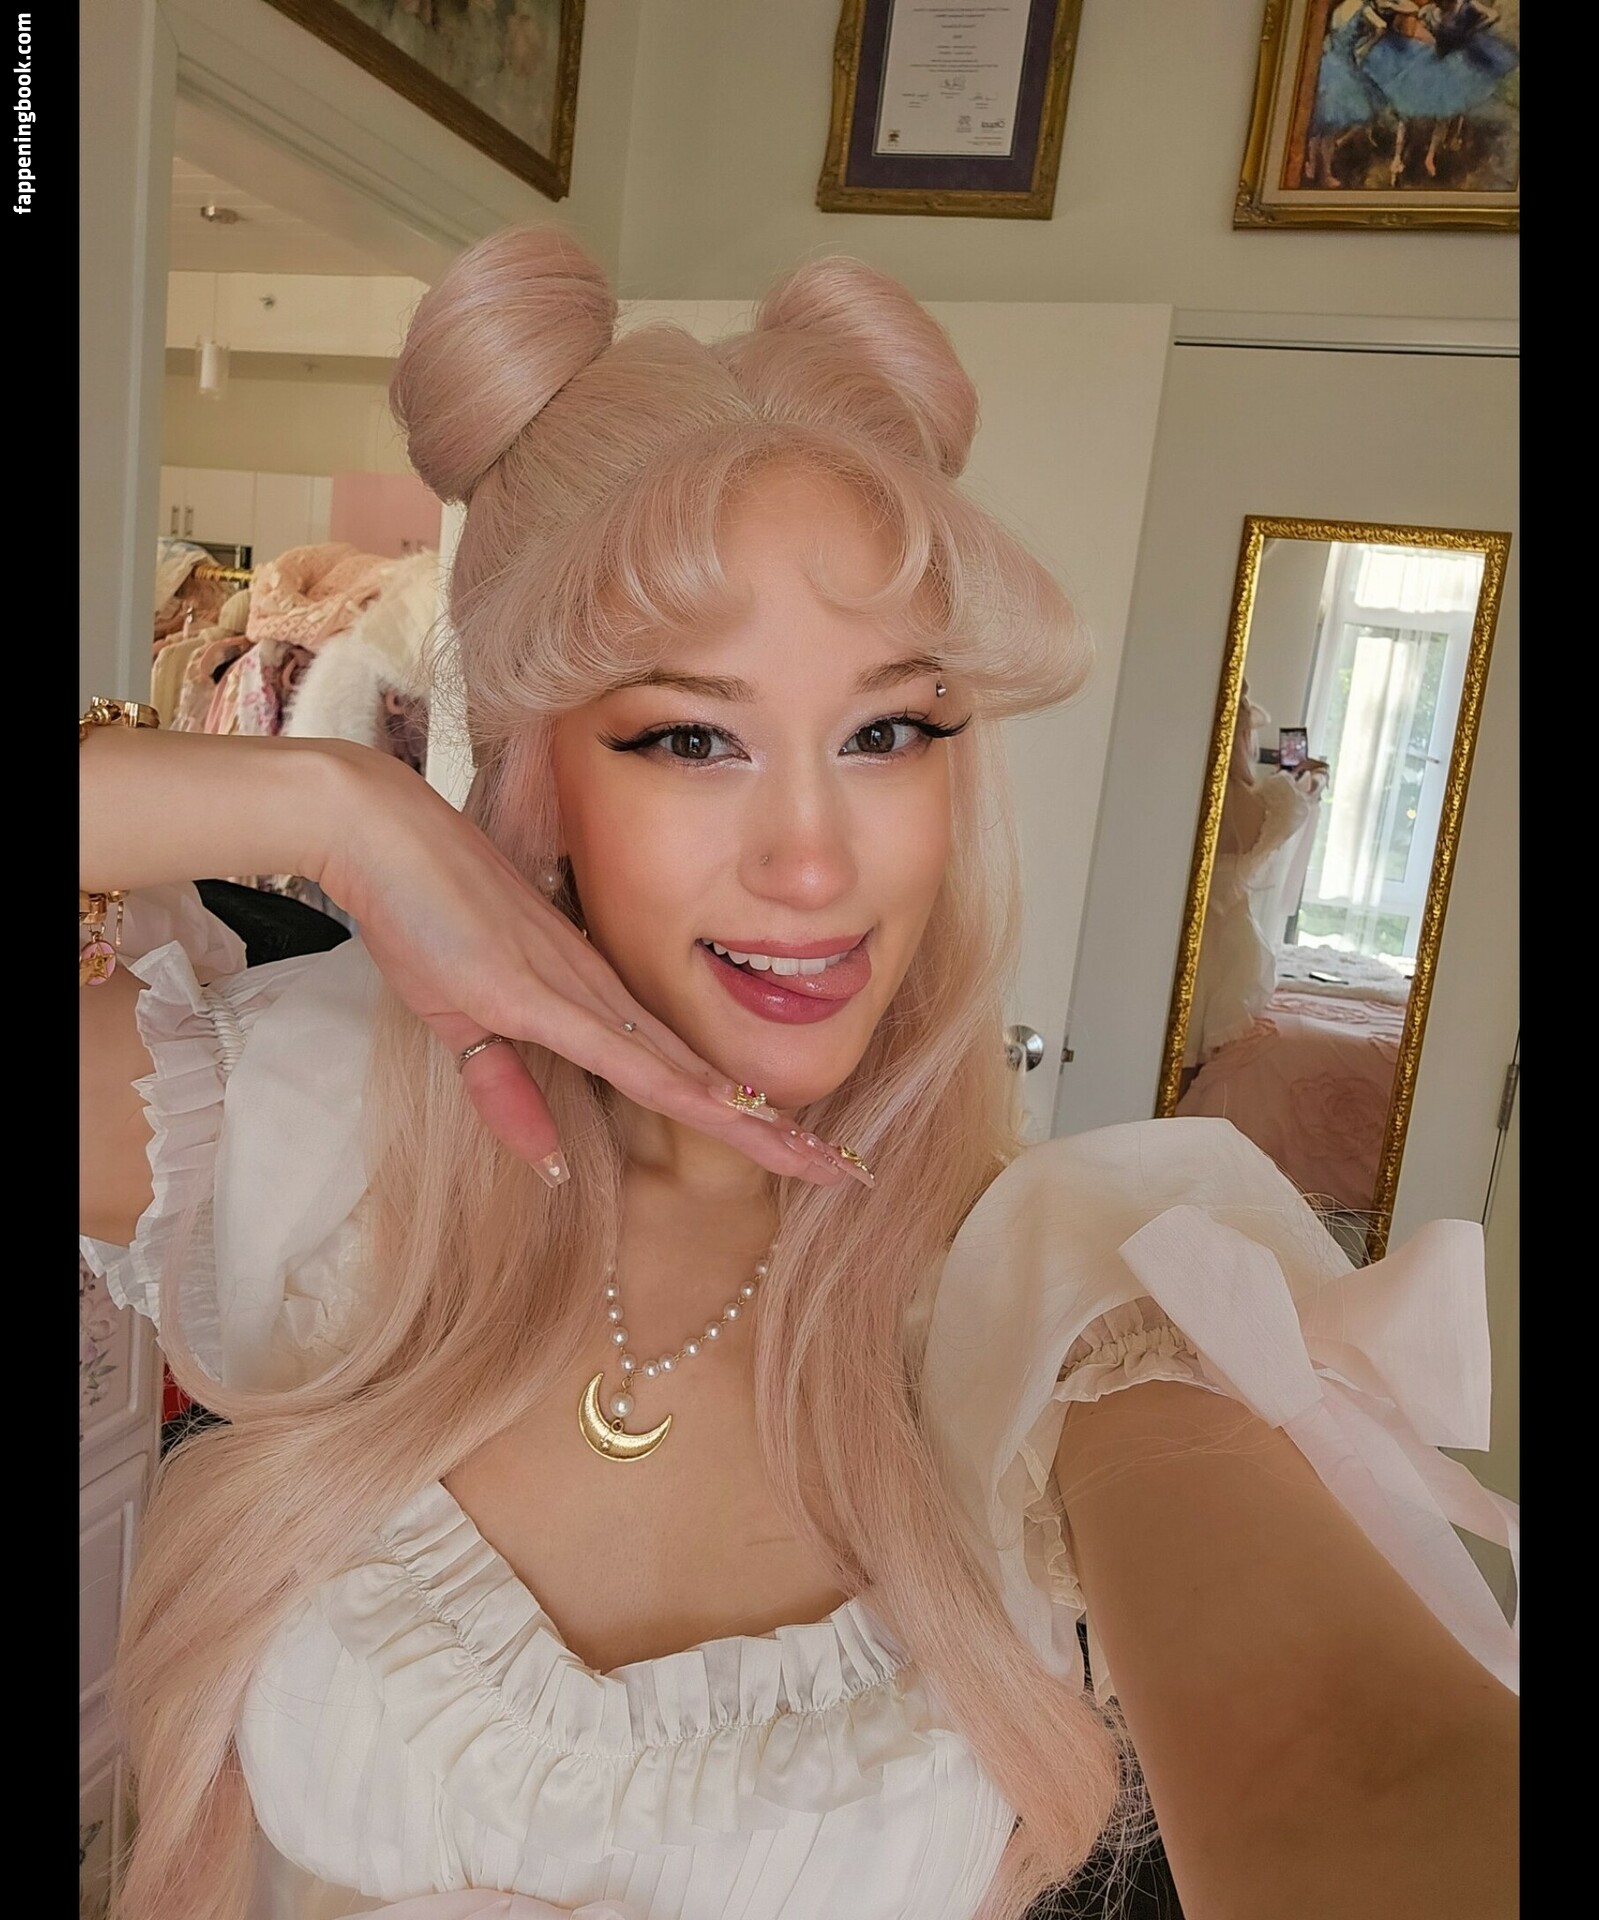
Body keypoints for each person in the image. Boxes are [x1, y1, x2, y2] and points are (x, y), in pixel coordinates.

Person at [80, 229, 1518, 1920]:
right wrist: (334, 807)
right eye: (692, 736)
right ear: (544, 778)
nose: (816, 865)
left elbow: (1360, 1778)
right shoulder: (309, 1121)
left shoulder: (1072, 1299)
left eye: (888, 732)